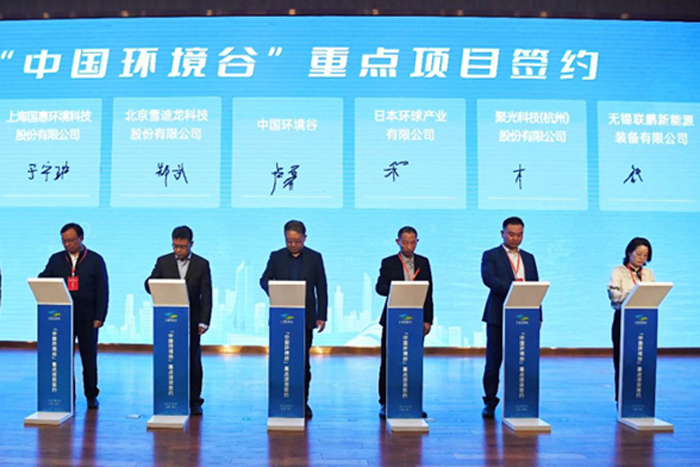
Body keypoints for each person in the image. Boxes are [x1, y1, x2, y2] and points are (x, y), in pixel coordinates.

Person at [260, 220, 328, 419]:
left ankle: (302, 402)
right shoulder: (276, 256)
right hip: (281, 319)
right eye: (289, 241)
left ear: (305, 238)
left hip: (305, 319)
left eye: (297, 241)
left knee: (302, 361)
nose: (293, 245)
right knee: (281, 360)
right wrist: (276, 290)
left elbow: (321, 287)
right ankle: (281, 400)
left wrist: (321, 315)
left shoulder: (315, 257)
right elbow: (264, 280)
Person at [39, 223, 109, 409]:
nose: (67, 244)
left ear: (81, 238)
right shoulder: (56, 259)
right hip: (62, 319)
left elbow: (103, 290)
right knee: (63, 358)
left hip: (88, 318)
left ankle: (91, 395)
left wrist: (100, 316)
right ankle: (67, 394)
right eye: (64, 241)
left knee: (89, 359)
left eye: (70, 240)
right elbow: (44, 279)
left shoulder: (95, 260)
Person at [145, 226, 212, 416]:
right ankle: (170, 396)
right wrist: (150, 284)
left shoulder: (201, 264)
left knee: (193, 361)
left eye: (182, 246)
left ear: (191, 244)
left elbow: (206, 295)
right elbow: (150, 284)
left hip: (192, 320)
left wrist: (204, 321)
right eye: (175, 246)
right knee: (169, 358)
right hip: (168, 320)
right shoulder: (163, 261)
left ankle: (194, 401)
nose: (178, 250)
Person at [480, 216, 539, 419]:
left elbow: (535, 287)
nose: (515, 238)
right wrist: (516, 289)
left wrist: (538, 315)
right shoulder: (491, 255)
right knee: (493, 361)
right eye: (511, 234)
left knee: (522, 360)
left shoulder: (529, 258)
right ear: (502, 233)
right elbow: (489, 279)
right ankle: (490, 401)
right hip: (498, 315)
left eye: (520, 235)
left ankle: (519, 400)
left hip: (525, 318)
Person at [375, 226, 433, 420]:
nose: (409, 246)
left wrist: (428, 319)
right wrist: (398, 287)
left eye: (412, 242)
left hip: (416, 319)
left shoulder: (423, 262)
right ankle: (385, 402)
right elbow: (380, 288)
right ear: (397, 242)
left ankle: (413, 402)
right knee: (389, 360)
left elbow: (429, 293)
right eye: (405, 242)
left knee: (413, 361)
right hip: (393, 318)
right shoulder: (389, 262)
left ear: (417, 242)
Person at [607, 237, 655, 403]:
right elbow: (614, 295)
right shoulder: (618, 272)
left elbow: (653, 294)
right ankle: (622, 400)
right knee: (622, 360)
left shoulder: (648, 274)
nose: (642, 258)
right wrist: (633, 293)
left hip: (645, 320)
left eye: (645, 255)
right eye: (639, 254)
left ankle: (641, 399)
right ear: (629, 252)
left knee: (642, 361)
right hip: (624, 319)